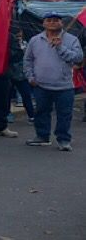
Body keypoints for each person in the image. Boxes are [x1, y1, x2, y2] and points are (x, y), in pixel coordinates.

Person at [24, 12, 83, 151]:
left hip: (64, 86)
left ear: (61, 23)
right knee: (41, 112)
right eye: (49, 20)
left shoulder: (71, 39)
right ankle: (42, 136)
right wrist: (30, 77)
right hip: (41, 85)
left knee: (64, 114)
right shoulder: (35, 40)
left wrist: (60, 47)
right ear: (43, 23)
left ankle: (63, 140)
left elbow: (78, 58)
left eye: (56, 20)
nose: (52, 23)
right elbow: (28, 60)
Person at [9, 28, 35, 123]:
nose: (18, 38)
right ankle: (7, 114)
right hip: (10, 73)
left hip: (22, 74)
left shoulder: (25, 44)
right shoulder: (8, 44)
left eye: (20, 36)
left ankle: (31, 115)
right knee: (7, 96)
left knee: (26, 95)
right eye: (17, 36)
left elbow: (30, 57)